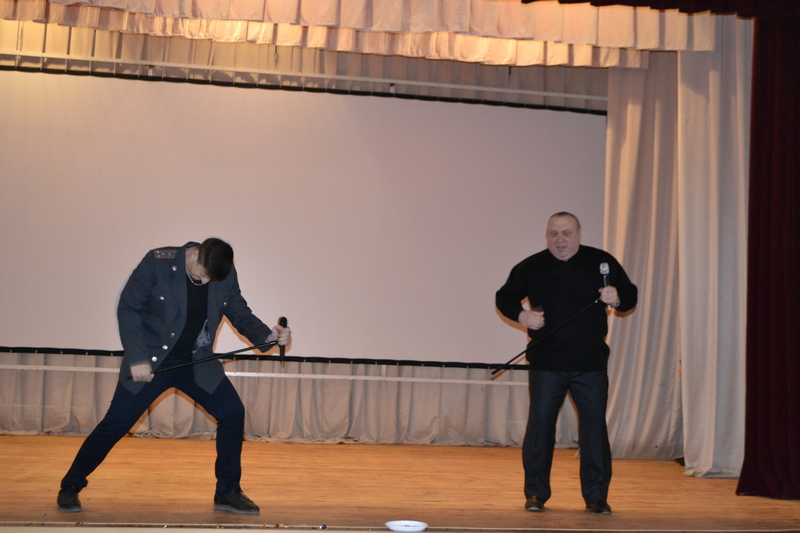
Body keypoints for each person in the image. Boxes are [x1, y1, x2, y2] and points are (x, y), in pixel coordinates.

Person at [57, 238, 291, 515]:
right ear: (194, 254)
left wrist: (267, 336)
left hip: (197, 363)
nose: (205, 282)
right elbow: (128, 309)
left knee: (232, 412)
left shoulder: (223, 272)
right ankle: (70, 486)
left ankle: (227, 492)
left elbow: (239, 311)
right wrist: (138, 358)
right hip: (152, 362)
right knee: (116, 424)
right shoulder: (157, 263)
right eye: (202, 275)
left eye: (210, 279)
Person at [495, 212, 637, 515]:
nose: (560, 240)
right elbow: (504, 296)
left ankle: (596, 497)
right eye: (554, 233)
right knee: (540, 428)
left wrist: (617, 297)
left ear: (579, 233)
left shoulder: (601, 262)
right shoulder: (531, 266)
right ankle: (536, 494)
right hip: (547, 363)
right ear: (547, 236)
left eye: (566, 233)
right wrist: (522, 315)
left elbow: (630, 295)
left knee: (594, 430)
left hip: (590, 363)